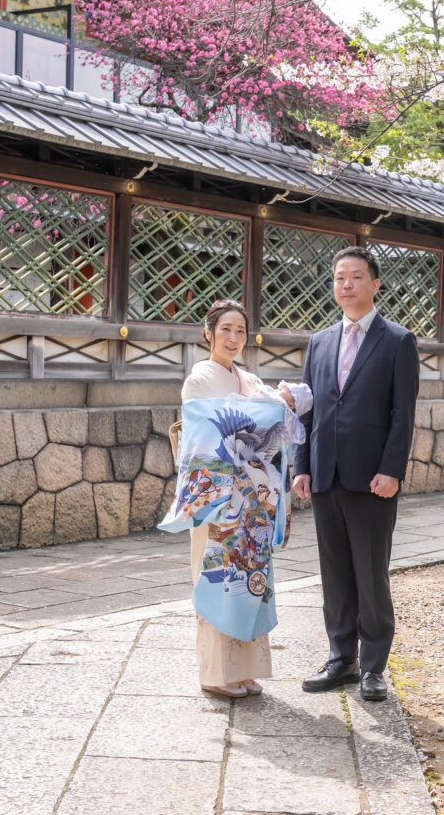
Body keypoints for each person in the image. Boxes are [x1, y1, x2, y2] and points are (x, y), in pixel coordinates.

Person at [293, 246, 420, 702]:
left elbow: (402, 414)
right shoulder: (319, 342)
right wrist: (302, 466)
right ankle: (340, 658)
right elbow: (307, 409)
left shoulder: (398, 341)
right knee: (335, 574)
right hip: (325, 474)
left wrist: (392, 470)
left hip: (372, 479)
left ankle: (373, 667)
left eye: (355, 277)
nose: (346, 284)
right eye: (339, 277)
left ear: (375, 284)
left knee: (370, 573)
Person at [174, 298, 309, 700]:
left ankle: (246, 670)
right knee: (218, 577)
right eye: (225, 330)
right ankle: (216, 674)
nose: (233, 338)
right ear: (209, 333)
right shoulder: (199, 380)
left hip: (253, 498)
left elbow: (276, 430)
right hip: (218, 497)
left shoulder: (250, 380)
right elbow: (201, 438)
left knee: (250, 579)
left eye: (240, 331)